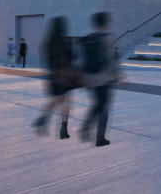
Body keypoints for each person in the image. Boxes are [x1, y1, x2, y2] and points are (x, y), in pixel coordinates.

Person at [33, 16, 80, 139]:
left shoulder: (47, 42)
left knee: (55, 101)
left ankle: (42, 120)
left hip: (53, 78)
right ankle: (63, 129)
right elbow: (73, 57)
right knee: (66, 103)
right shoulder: (64, 42)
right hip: (65, 78)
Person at [80, 11, 119, 147]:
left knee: (97, 105)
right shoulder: (108, 38)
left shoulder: (88, 38)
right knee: (103, 108)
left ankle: (88, 127)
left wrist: (83, 79)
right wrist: (118, 76)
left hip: (90, 79)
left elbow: (81, 59)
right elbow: (112, 59)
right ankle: (99, 138)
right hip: (103, 79)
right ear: (106, 23)